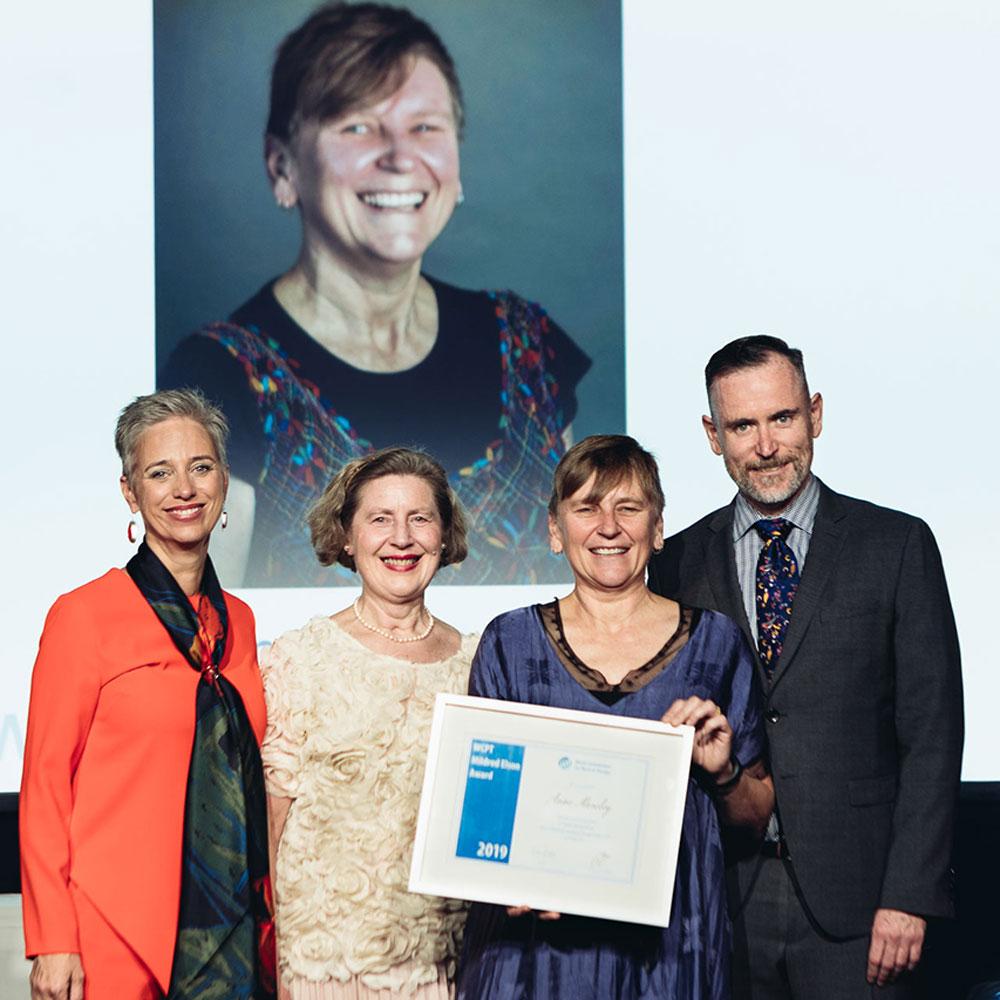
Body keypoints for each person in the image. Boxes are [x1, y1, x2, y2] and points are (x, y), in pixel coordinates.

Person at [159, 1, 590, 589]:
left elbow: (590, 597)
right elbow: (205, 631)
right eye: (357, 125)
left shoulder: (529, 347)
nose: (398, 156)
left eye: (425, 127)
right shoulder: (218, 377)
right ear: (282, 166)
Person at [647, 336, 964, 999]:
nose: (765, 445)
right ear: (713, 435)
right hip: (720, 903)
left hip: (860, 909)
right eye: (742, 425)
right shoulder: (674, 562)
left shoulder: (897, 546)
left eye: (782, 418)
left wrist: (910, 895)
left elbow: (932, 737)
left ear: (814, 414)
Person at [457, 434, 775, 999]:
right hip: (532, 954)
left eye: (628, 508)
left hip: (671, 948)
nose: (609, 527)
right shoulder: (509, 641)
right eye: (587, 508)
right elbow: (482, 811)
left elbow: (752, 820)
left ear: (657, 530)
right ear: (556, 531)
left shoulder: (716, 643)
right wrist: (507, 874)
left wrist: (722, 771)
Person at [19, 389, 274, 1000]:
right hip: (116, 930)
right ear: (131, 492)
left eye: (201, 467)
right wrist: (55, 938)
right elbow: (46, 784)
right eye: (159, 473)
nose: (183, 488)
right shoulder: (83, 616)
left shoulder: (239, 619)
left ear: (224, 482)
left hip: (235, 929)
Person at [261, 447, 477, 999]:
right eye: (380, 519)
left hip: (445, 967)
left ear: (446, 536)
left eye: (420, 518)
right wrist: (276, 968)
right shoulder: (298, 658)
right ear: (346, 538)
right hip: (323, 971)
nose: (401, 538)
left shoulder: (480, 661)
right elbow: (271, 826)